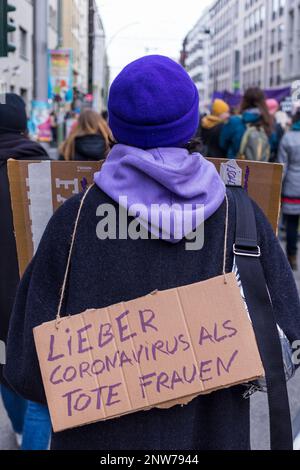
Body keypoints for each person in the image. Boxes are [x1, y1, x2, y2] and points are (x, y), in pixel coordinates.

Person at [4, 56, 300, 450]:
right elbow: (286, 349)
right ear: (191, 123)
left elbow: (26, 372)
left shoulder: (72, 223)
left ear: (116, 126)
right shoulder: (240, 216)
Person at [0, 93, 51, 450]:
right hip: (34, 288)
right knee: (43, 391)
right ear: (23, 125)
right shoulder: (41, 168)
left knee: (5, 366)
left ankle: (19, 431)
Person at [220, 87, 273, 160]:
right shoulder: (268, 122)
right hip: (261, 169)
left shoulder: (234, 121)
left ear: (244, 101)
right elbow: (273, 147)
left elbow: (222, 144)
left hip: (236, 167)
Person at [278, 110, 300, 270]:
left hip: (292, 186)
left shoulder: (288, 138)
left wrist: (278, 187)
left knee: (291, 223)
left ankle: (292, 256)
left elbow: (282, 167)